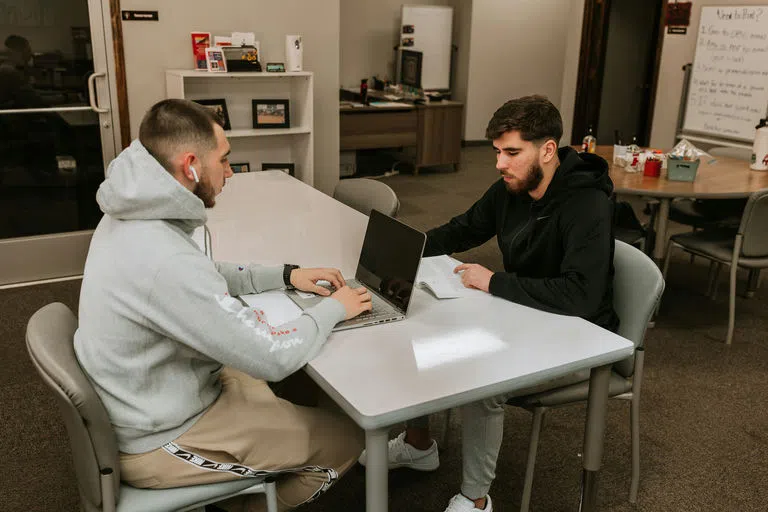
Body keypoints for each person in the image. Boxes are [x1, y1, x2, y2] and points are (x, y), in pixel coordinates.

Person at [74, 98, 373, 511]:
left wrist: (285, 275)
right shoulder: (163, 257)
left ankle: (257, 463)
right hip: (160, 437)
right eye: (226, 161)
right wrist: (336, 307)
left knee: (278, 385)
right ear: (191, 165)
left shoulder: (132, 213)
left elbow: (202, 274)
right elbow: (272, 357)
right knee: (348, 438)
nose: (230, 172)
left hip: (157, 391)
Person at [359, 95, 619, 512]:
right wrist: (408, 250)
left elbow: (580, 295)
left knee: (482, 381)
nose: (500, 164)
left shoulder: (586, 203)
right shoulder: (513, 187)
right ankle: (419, 444)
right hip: (520, 315)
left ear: (548, 150)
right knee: (420, 331)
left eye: (512, 153)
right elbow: (465, 228)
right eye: (498, 152)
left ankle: (476, 500)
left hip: (577, 335)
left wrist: (495, 281)